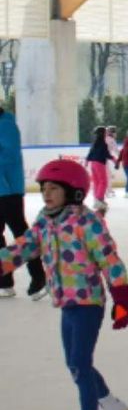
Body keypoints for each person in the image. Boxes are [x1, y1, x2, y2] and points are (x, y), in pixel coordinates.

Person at [0, 160, 128, 410]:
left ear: (73, 192)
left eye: (54, 189)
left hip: (88, 301)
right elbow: (23, 247)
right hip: (66, 302)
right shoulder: (45, 220)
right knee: (75, 363)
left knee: (79, 361)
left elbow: (108, 257)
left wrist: (122, 297)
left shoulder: (86, 221)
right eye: (44, 188)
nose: (47, 194)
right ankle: (110, 404)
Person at [0, 105, 46, 299]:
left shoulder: (6, 126)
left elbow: (9, 157)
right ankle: (5, 281)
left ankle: (38, 279)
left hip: (8, 191)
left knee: (21, 234)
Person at [85, 126, 112, 213]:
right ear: (103, 133)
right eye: (105, 132)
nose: (107, 133)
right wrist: (114, 159)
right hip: (99, 164)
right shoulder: (103, 143)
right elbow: (106, 154)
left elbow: (90, 153)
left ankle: (96, 200)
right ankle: (99, 199)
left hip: (93, 164)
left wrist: (86, 161)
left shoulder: (95, 143)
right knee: (103, 182)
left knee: (97, 182)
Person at [104, 125, 119, 198]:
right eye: (114, 132)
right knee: (108, 175)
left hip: (102, 159)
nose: (116, 134)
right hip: (103, 160)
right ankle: (108, 191)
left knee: (107, 175)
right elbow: (116, 150)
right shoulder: (111, 140)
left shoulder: (104, 138)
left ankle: (108, 190)